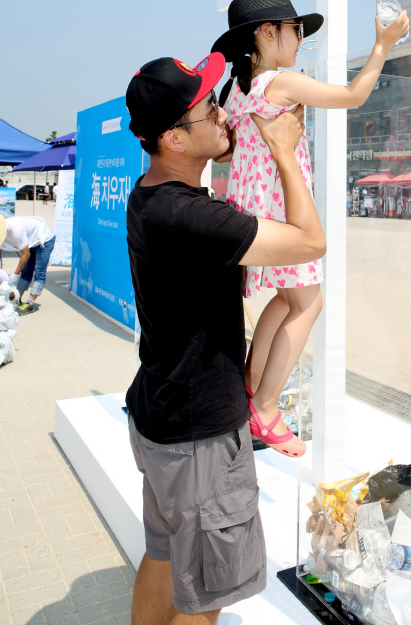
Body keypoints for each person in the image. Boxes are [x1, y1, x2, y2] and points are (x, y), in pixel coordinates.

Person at [124, 52, 325, 625]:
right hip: (200, 443)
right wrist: (283, 150)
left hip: (160, 419)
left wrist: (239, 134)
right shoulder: (192, 220)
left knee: (162, 559)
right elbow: (310, 243)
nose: (220, 111)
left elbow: (217, 147)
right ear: (173, 140)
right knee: (203, 600)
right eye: (207, 106)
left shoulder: (152, 195)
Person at [212, 0, 409, 457]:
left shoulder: (237, 89)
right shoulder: (278, 83)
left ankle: (251, 387)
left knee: (286, 300)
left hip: (256, 209)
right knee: (308, 304)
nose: (300, 39)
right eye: (294, 30)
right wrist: (382, 45)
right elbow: (352, 95)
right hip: (285, 208)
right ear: (266, 33)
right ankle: (264, 407)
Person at [0, 214, 56, 313]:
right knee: (26, 272)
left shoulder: (16, 231)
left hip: (44, 239)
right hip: (30, 241)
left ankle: (30, 303)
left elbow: (25, 254)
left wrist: (15, 274)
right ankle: (17, 299)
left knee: (39, 272)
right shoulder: (3, 232)